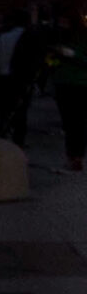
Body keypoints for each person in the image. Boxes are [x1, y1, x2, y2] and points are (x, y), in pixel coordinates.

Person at [0, 14, 48, 147]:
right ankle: (18, 139)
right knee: (21, 110)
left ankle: (1, 136)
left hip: (5, 76)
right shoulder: (33, 38)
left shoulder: (4, 37)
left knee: (3, 108)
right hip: (23, 78)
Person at [49, 13, 87, 174]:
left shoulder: (83, 40)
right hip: (63, 82)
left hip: (79, 83)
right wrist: (53, 59)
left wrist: (72, 55)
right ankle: (72, 155)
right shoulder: (61, 39)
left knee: (77, 122)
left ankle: (76, 156)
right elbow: (53, 63)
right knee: (69, 121)